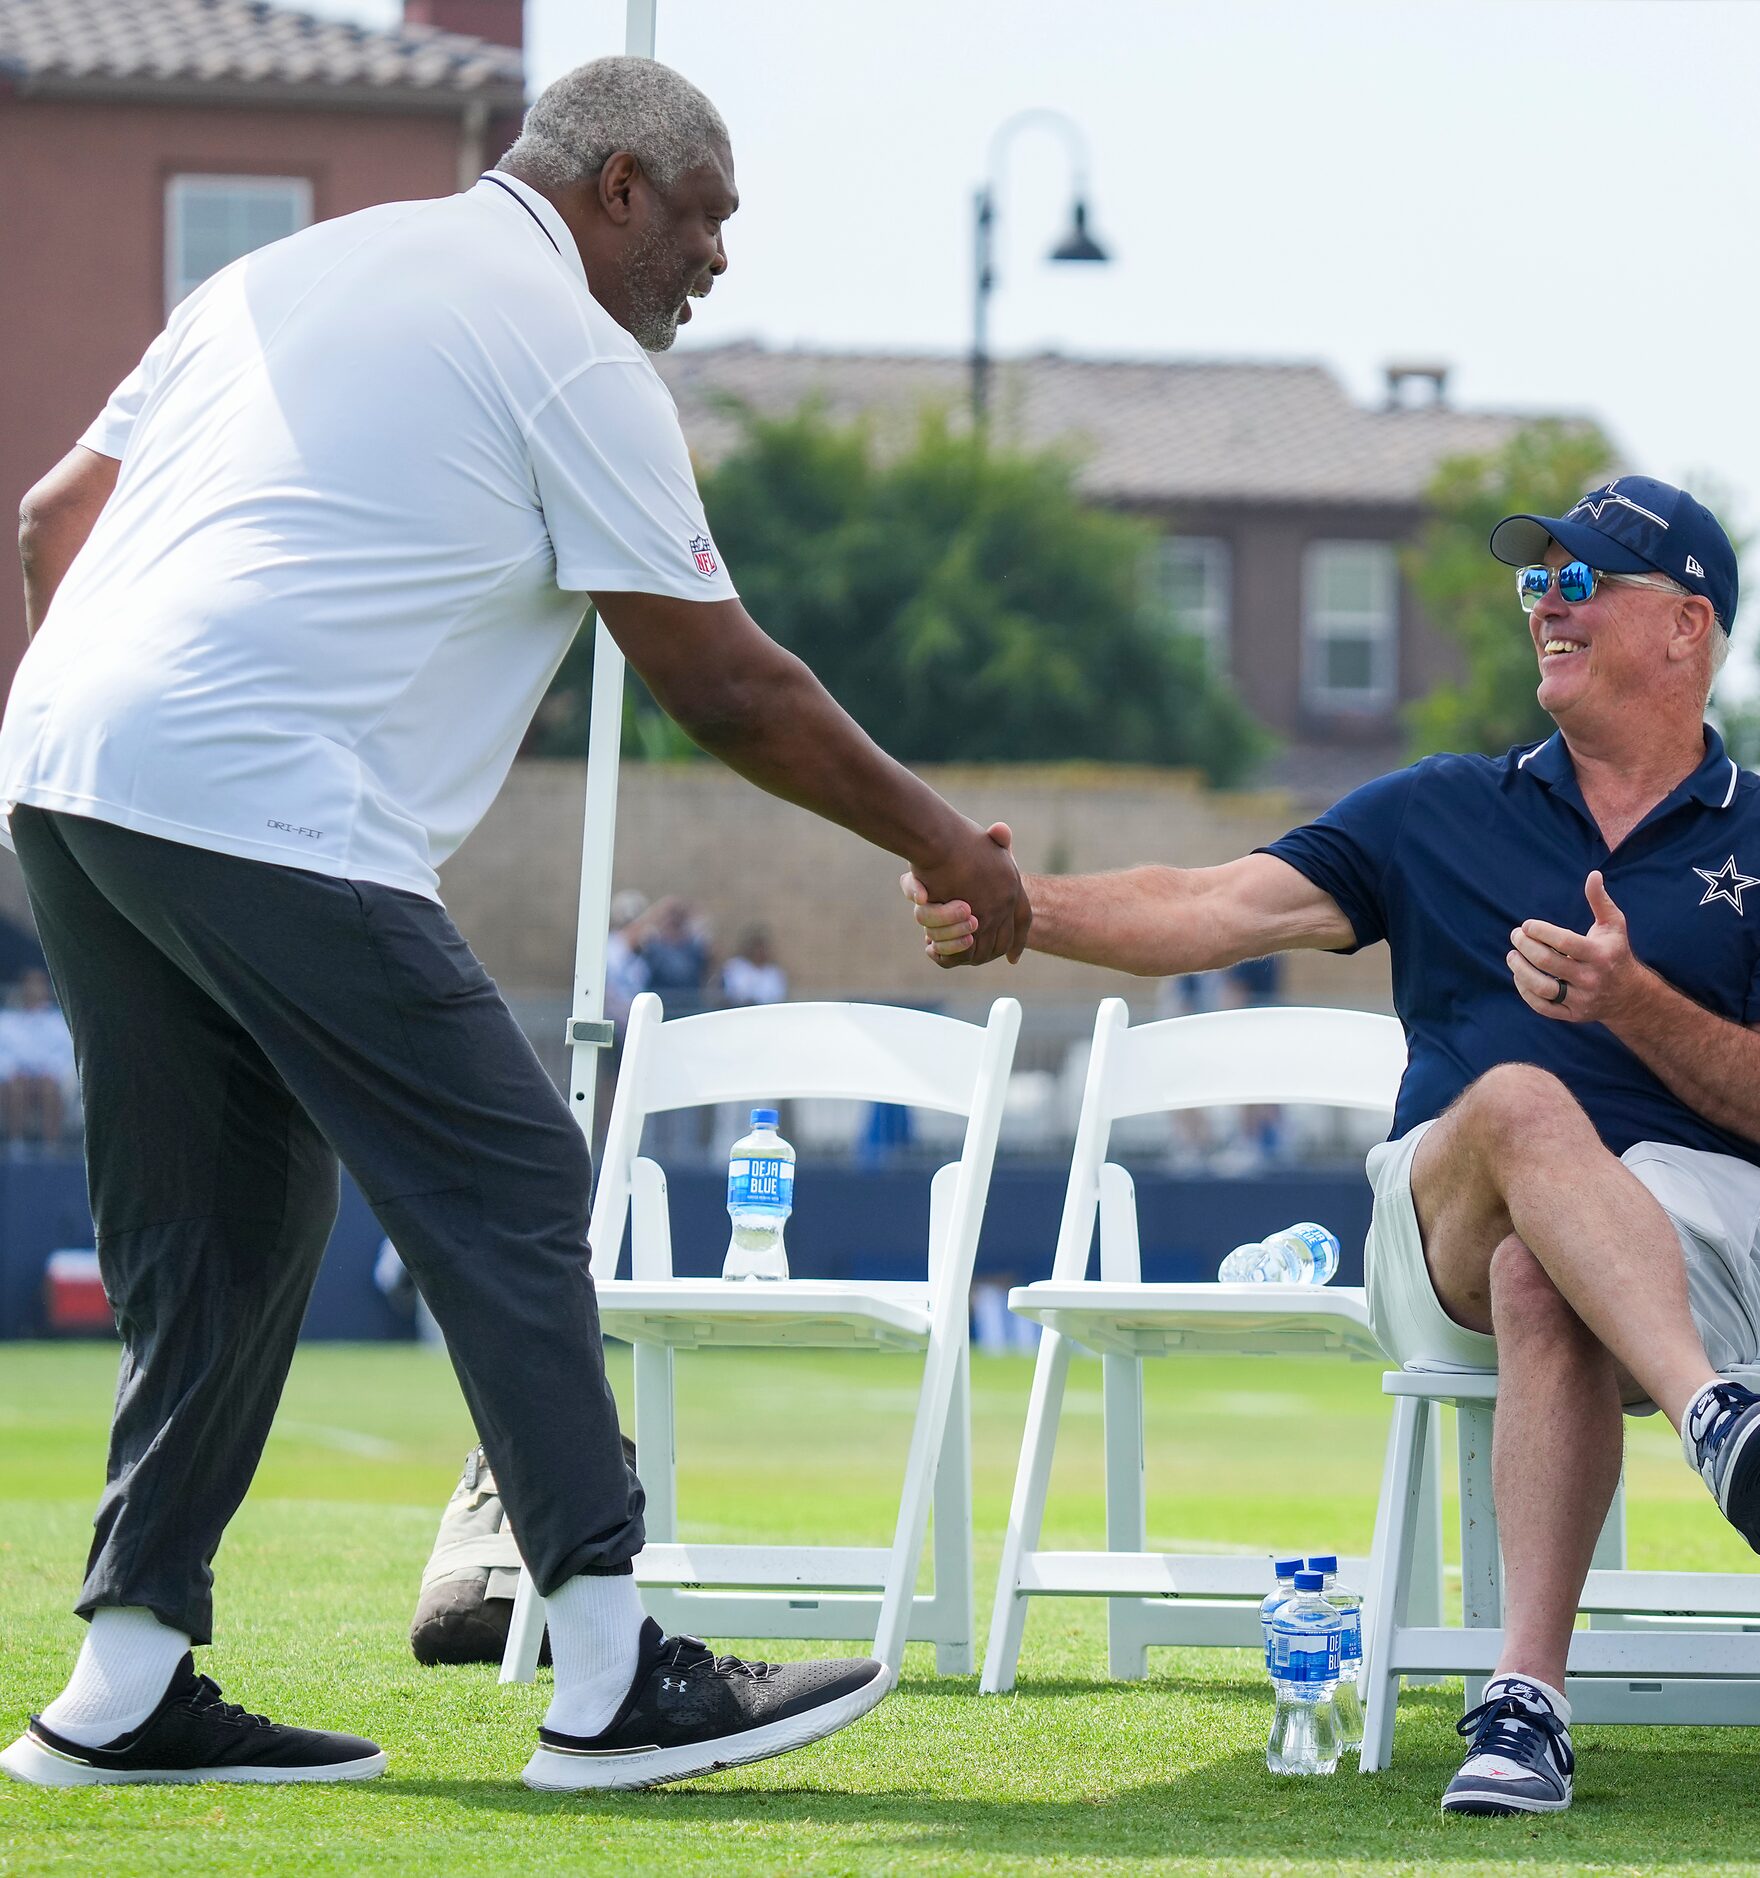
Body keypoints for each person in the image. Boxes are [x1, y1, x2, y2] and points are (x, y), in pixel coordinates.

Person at [0, 57, 1024, 1794]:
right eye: (703, 215)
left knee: (230, 1220)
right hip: (260, 790)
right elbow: (721, 677)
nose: (713, 258)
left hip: (64, 773)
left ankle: (122, 1679)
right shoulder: (568, 349)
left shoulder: (284, 271)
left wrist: (126, 730)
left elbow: (51, 522)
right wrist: (945, 841)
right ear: (615, 185)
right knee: (514, 1178)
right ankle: (615, 1672)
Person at [913, 476, 1760, 1817]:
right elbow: (1205, 905)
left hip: (1683, 1231)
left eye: (1581, 577)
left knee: (1552, 1269)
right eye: (1535, 579)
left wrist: (1629, 1000)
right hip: (1447, 1223)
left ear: (1685, 627)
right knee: (1523, 1102)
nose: (1544, 599)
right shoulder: (1438, 807)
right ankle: (1715, 1415)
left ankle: (1524, 1701)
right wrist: (1019, 905)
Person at [0, 966, 76, 1150]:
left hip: (48, 1076)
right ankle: (16, 1145)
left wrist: (49, 1070)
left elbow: (65, 1053)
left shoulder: (58, 1021)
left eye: (40, 984)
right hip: (16, 1077)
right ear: (23, 987)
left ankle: (51, 1146)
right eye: (31, 984)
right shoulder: (7, 1020)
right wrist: (13, 1070)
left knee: (49, 1086)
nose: (35, 989)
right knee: (16, 1086)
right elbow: (3, 1052)